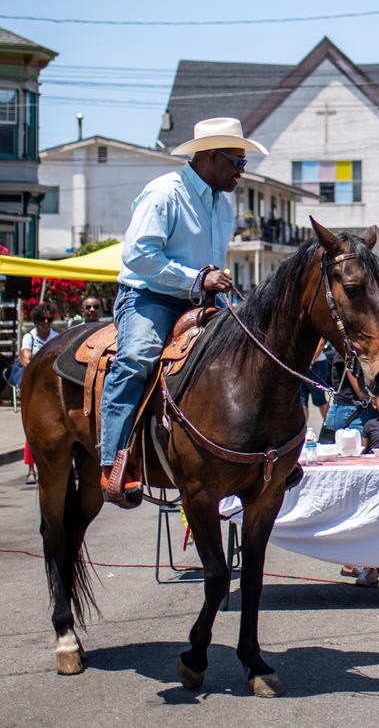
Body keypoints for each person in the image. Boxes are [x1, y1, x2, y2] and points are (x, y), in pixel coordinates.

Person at [98, 117, 265, 507]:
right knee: (137, 357)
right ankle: (113, 461)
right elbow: (139, 257)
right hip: (149, 296)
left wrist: (214, 290)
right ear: (210, 157)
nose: (242, 171)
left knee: (251, 354)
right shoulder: (164, 194)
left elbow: (211, 266)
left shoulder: (222, 205)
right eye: (237, 162)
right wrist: (198, 278)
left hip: (202, 300)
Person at [21, 302, 59, 485]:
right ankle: (30, 469)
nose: (46, 322)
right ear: (36, 321)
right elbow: (26, 361)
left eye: (49, 319)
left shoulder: (57, 337)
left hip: (53, 389)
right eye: (42, 319)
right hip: (35, 387)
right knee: (34, 430)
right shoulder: (29, 338)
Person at [300, 340, 330, 422]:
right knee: (302, 400)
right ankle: (304, 430)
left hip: (316, 365)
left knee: (319, 398)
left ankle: (330, 427)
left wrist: (311, 361)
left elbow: (321, 344)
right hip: (301, 365)